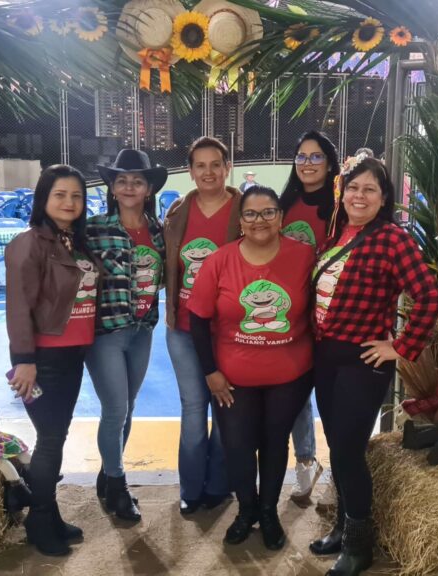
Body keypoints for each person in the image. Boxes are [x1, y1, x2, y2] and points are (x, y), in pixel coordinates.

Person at [309, 158, 438, 576]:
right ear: (342, 192)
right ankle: (342, 527)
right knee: (338, 447)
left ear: (384, 198)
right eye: (353, 187)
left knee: (349, 451)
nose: (359, 196)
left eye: (369, 189)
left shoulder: (392, 239)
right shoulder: (335, 234)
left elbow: (429, 296)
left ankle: (359, 545)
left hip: (362, 362)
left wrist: (400, 346)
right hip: (326, 358)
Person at [187, 186, 316, 550]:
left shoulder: (305, 257)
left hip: (289, 375)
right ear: (240, 221)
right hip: (233, 379)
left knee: (275, 443)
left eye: (268, 212)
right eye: (251, 213)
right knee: (238, 445)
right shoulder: (219, 261)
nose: (260, 220)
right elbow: (198, 320)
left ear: (281, 217)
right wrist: (210, 372)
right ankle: (247, 511)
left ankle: (269, 512)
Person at [5, 164, 101, 556]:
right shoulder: (29, 244)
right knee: (49, 440)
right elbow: (18, 307)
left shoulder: (75, 242)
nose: (69, 202)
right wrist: (24, 360)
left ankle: (50, 514)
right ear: (43, 198)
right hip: (43, 358)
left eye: (76, 195)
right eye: (60, 194)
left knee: (56, 436)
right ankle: (39, 521)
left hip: (72, 354)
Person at [85, 149, 168, 524]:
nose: (130, 186)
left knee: (129, 407)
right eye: (122, 180)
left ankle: (108, 475)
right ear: (113, 188)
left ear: (148, 189)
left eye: (137, 181)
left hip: (142, 330)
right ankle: (118, 486)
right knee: (115, 409)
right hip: (105, 331)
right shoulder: (94, 229)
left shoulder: (159, 232)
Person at [164, 137, 242, 515]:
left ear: (227, 167)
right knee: (193, 408)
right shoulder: (178, 212)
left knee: (226, 409)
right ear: (190, 171)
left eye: (215, 164)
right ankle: (191, 488)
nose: (208, 172)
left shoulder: (244, 209)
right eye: (200, 165)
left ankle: (219, 485)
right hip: (183, 329)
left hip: (229, 330)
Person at [278, 130, 341, 504]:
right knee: (295, 393)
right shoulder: (283, 204)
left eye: (316, 156)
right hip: (292, 315)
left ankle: (341, 473)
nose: (307, 163)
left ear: (330, 163)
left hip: (333, 318)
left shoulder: (341, 209)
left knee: (333, 399)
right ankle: (305, 462)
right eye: (301, 156)